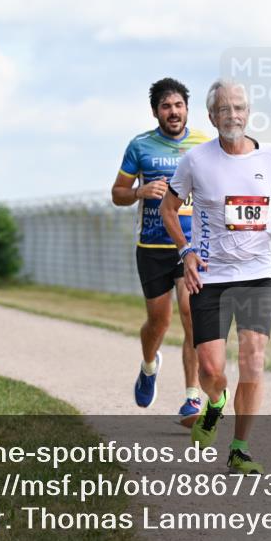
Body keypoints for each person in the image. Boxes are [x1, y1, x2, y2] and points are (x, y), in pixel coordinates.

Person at [161, 78, 271, 475]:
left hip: (257, 273)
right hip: (210, 275)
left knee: (254, 359)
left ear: (248, 113)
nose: (233, 115)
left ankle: (240, 448)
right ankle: (215, 403)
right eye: (224, 109)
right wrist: (185, 252)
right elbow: (170, 209)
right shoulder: (196, 161)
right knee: (210, 369)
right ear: (212, 116)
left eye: (239, 108)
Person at [111, 78, 210, 423]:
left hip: (190, 247)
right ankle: (149, 365)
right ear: (156, 112)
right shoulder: (140, 146)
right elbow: (117, 193)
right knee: (159, 322)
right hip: (152, 247)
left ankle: (192, 397)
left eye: (179, 105)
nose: (173, 112)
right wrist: (140, 192)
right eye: (166, 106)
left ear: (187, 109)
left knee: (190, 313)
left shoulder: (204, 145)